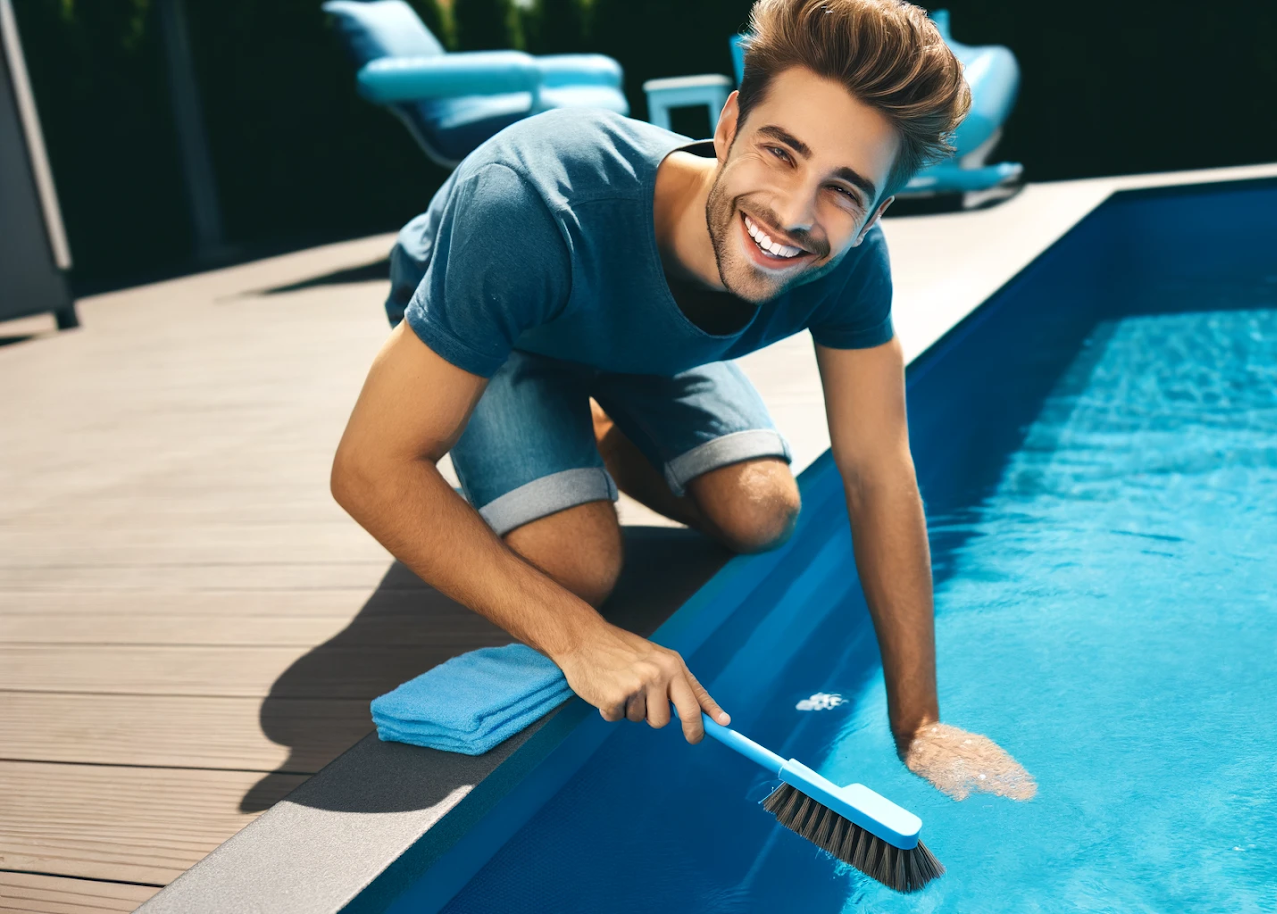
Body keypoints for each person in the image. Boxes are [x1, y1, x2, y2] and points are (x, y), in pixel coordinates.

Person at [332, 0, 1034, 802]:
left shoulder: (851, 264)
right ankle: (552, 429)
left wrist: (919, 722)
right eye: (781, 151)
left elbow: (879, 471)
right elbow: (369, 467)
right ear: (730, 124)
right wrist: (582, 640)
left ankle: (592, 425)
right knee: (575, 568)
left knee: (764, 511)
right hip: (507, 322)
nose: (793, 214)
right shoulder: (527, 201)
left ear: (878, 211)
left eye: (844, 191)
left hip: (639, 347)